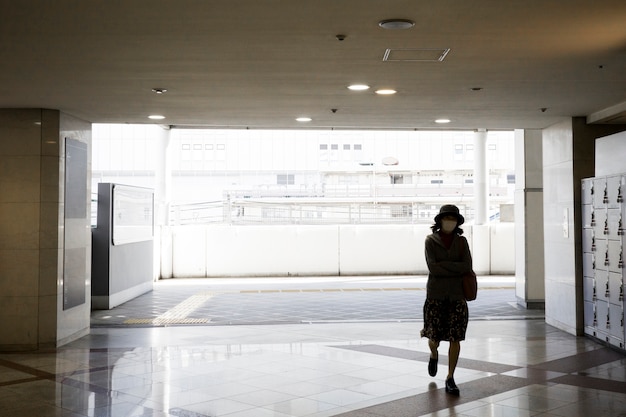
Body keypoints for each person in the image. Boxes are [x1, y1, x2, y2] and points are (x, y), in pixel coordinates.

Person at [421, 204, 472, 395]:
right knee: (433, 337)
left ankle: (450, 377)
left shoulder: (462, 242)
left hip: (457, 296)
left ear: (457, 222)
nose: (449, 222)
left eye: (453, 219)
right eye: (446, 218)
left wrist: (445, 265)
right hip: (436, 295)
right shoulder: (430, 240)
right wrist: (454, 267)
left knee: (455, 337)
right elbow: (433, 268)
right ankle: (434, 353)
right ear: (440, 221)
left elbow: (466, 266)